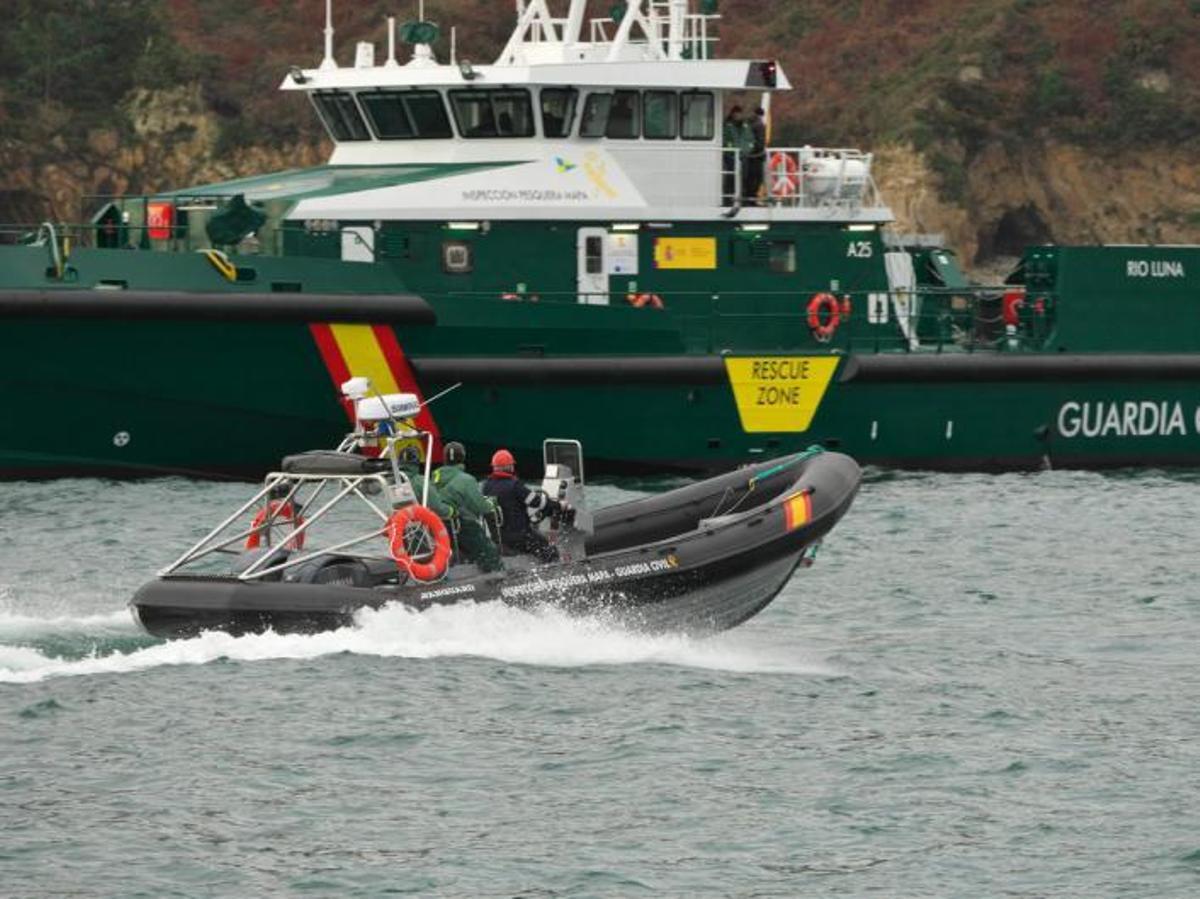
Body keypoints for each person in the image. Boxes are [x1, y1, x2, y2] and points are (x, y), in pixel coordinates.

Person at [433, 441, 503, 573]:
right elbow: (481, 507)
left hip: (440, 527)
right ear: (463, 457)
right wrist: (491, 503)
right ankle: (496, 578)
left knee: (463, 549)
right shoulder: (466, 480)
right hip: (461, 525)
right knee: (489, 550)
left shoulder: (434, 477)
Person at [482, 449, 559, 563]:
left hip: (498, 537)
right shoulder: (515, 486)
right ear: (510, 467)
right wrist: (558, 505)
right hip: (519, 537)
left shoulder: (486, 486)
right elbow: (537, 502)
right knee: (550, 551)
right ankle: (553, 575)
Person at [722, 105, 750, 206]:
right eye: (736, 113)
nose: (738, 115)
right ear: (733, 114)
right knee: (730, 178)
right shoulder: (727, 125)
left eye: (740, 113)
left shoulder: (745, 126)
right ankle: (728, 200)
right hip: (730, 156)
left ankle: (742, 199)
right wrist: (730, 150)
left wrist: (747, 150)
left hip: (743, 156)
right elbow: (725, 140)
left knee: (744, 178)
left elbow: (750, 139)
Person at [744, 107, 767, 205]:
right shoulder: (759, 125)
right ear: (761, 115)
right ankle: (752, 198)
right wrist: (759, 152)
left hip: (748, 155)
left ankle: (748, 196)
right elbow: (760, 142)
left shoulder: (748, 123)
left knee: (749, 177)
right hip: (756, 156)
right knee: (757, 177)